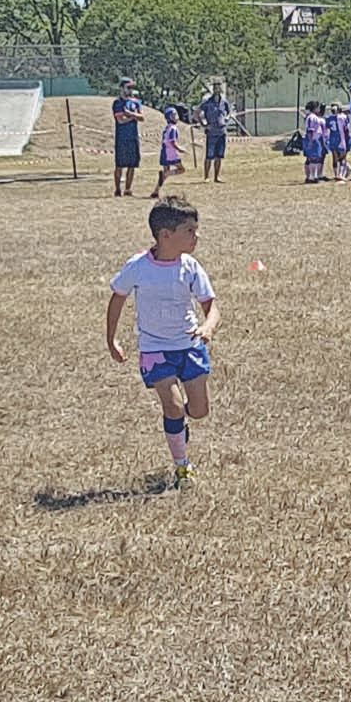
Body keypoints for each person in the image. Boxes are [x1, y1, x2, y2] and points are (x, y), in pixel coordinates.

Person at [106, 195, 219, 486]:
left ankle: (179, 432)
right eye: (190, 231)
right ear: (166, 235)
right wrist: (112, 339)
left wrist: (207, 327)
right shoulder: (138, 266)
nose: (197, 236)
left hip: (190, 346)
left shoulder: (190, 266)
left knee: (199, 411)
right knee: (173, 407)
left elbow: (211, 305)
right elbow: (118, 298)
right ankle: (182, 466)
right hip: (155, 350)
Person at [112, 78, 146, 198]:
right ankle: (117, 189)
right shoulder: (117, 103)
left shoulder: (136, 102)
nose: (131, 90)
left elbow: (142, 117)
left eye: (132, 87)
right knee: (119, 165)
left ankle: (128, 189)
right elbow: (121, 120)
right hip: (121, 138)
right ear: (122, 88)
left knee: (132, 164)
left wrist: (130, 114)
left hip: (133, 137)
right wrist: (134, 116)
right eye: (128, 87)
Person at [198, 84, 232, 184]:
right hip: (211, 132)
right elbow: (198, 113)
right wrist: (203, 124)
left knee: (219, 156)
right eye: (215, 88)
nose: (217, 89)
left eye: (219, 87)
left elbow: (229, 113)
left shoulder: (224, 102)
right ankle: (206, 177)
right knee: (209, 156)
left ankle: (217, 177)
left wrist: (227, 118)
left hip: (222, 132)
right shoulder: (207, 102)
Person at [151, 106, 186, 197]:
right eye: (174, 115)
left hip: (164, 152)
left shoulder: (167, 127)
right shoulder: (173, 128)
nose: (177, 117)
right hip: (170, 153)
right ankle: (166, 173)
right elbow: (172, 142)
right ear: (169, 117)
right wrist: (180, 149)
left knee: (164, 176)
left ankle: (156, 191)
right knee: (181, 169)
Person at [326, 101, 351, 183]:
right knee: (339, 158)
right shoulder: (339, 117)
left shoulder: (333, 118)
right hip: (337, 139)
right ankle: (339, 175)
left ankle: (339, 174)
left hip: (337, 139)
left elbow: (346, 129)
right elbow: (346, 129)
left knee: (339, 158)